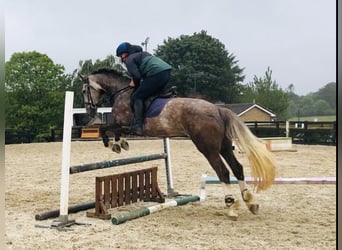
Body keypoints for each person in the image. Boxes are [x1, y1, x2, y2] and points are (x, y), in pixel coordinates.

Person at [116, 42, 172, 135]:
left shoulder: (130, 60)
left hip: (155, 74)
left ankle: (138, 126)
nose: (121, 58)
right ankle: (163, 93)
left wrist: (134, 83)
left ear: (127, 52)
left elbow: (137, 77)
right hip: (166, 71)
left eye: (121, 55)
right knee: (149, 93)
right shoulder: (142, 54)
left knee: (136, 97)